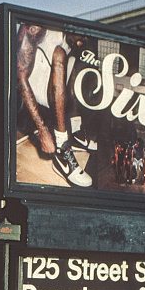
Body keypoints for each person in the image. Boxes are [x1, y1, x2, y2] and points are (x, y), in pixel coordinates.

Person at [15, 24, 92, 187]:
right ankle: (62, 149)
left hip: (50, 88)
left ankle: (76, 131)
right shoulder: (36, 28)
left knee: (82, 58)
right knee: (60, 53)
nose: (80, 42)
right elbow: (20, 79)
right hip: (21, 86)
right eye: (80, 37)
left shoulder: (72, 40)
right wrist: (43, 131)